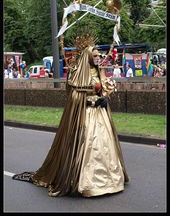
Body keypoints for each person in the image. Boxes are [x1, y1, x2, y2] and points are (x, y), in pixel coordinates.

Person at [12, 40, 129, 197]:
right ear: (88, 56)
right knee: (87, 145)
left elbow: (107, 87)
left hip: (100, 115)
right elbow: (73, 94)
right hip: (85, 115)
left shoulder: (100, 71)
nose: (98, 58)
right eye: (95, 55)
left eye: (99, 55)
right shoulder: (78, 74)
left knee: (105, 146)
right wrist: (86, 99)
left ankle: (109, 179)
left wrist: (105, 97)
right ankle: (85, 181)